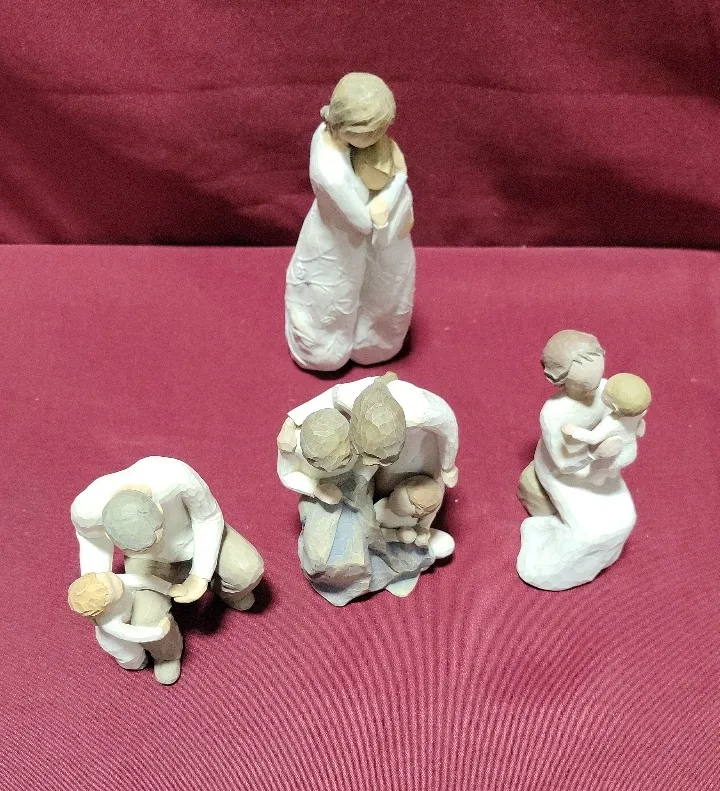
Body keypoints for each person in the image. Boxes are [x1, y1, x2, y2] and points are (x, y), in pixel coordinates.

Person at [71, 456, 264, 684]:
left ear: (160, 509)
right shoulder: (86, 510)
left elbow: (208, 517)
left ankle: (225, 589)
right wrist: (97, 583)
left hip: (192, 537)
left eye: (156, 539)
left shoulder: (176, 476)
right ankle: (167, 654)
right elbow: (92, 542)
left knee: (247, 571)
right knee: (145, 620)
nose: (156, 545)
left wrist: (200, 575)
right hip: (147, 564)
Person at [277, 374, 458, 605]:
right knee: (328, 557)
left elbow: (447, 422)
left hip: (379, 477)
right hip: (330, 490)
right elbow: (287, 473)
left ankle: (409, 545)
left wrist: (448, 465)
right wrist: (292, 420)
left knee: (382, 518)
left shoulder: (421, 412)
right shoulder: (340, 406)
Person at [285, 72, 415, 371]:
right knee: (327, 315)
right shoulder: (332, 173)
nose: (383, 135)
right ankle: (323, 350)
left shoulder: (332, 133)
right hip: (337, 243)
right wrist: (397, 183)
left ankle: (370, 344)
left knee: (380, 301)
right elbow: (364, 222)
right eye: (376, 131)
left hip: (364, 243)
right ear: (353, 128)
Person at [516, 331, 638, 591]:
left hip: (602, 466)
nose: (595, 378)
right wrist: (594, 454)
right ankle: (552, 567)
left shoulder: (607, 391)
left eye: (597, 359)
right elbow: (562, 464)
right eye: (582, 367)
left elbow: (622, 420)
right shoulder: (555, 412)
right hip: (564, 471)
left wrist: (632, 424)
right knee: (591, 531)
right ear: (558, 377)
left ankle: (600, 558)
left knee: (625, 517)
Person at [68, 572, 177, 683]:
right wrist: (159, 631)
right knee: (132, 656)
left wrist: (167, 588)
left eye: (110, 579)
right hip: (119, 642)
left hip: (130, 609)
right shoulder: (108, 623)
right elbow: (131, 633)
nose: (114, 581)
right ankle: (140, 663)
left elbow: (140, 580)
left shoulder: (111, 580)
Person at [562, 373, 651, 484]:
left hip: (616, 457)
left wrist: (574, 431)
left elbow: (593, 438)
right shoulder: (638, 412)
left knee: (598, 470)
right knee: (613, 469)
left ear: (615, 407)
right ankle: (612, 474)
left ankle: (596, 482)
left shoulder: (612, 423)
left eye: (605, 393)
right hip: (630, 452)